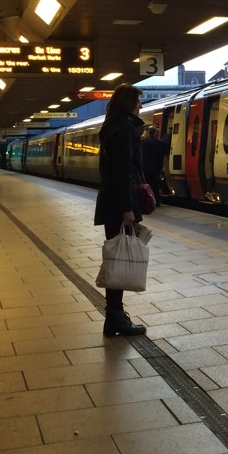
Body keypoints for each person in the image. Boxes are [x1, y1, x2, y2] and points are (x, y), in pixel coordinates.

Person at [93, 83, 148, 337]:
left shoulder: (113, 125)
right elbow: (123, 172)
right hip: (120, 204)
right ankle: (115, 317)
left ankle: (114, 315)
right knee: (119, 259)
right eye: (138, 102)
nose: (141, 107)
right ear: (130, 104)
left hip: (111, 202)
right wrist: (128, 207)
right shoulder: (125, 128)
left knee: (116, 257)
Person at [140, 126, 169, 207]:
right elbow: (163, 153)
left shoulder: (142, 142)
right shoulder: (159, 143)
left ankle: (145, 202)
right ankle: (155, 201)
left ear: (149, 132)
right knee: (154, 186)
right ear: (156, 133)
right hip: (155, 168)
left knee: (145, 184)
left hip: (144, 167)